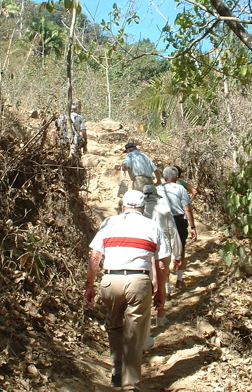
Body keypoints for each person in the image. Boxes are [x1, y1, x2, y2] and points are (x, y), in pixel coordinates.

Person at [84, 190, 170, 391]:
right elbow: (162, 264)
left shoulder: (109, 223)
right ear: (143, 208)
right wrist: (161, 292)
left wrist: (90, 285)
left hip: (110, 279)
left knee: (115, 326)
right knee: (134, 332)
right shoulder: (152, 225)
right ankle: (130, 384)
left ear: (123, 207)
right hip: (138, 281)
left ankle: (117, 371)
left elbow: (95, 256)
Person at [143, 184, 182, 327]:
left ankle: (145, 317)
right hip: (163, 247)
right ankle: (160, 315)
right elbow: (174, 233)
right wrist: (177, 255)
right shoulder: (164, 210)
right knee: (162, 278)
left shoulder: (140, 211)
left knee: (145, 280)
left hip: (144, 247)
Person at [157, 166, 197, 289]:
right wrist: (192, 226)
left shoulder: (157, 189)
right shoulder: (180, 188)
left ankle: (167, 287)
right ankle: (179, 279)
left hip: (162, 220)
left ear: (164, 177)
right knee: (181, 249)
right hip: (178, 220)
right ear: (177, 177)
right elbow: (187, 208)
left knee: (165, 252)